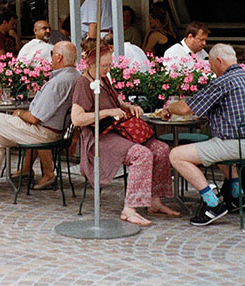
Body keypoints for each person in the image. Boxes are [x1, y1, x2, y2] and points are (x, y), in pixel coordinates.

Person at [0, 41, 80, 200]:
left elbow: (34, 118)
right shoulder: (75, 76)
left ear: (59, 57)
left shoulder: (58, 82)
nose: (50, 58)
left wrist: (19, 113)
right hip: (55, 130)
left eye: (52, 54)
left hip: (43, 132)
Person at [72, 40, 178, 226]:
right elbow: (77, 119)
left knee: (161, 149)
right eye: (104, 66)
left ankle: (154, 201)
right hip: (99, 137)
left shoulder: (103, 79)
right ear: (91, 64)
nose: (107, 69)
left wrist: (129, 106)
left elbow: (116, 103)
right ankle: (130, 209)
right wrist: (107, 112)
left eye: (109, 65)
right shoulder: (83, 83)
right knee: (141, 154)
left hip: (118, 131)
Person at [165, 43, 245, 226]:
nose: (212, 70)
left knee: (176, 155)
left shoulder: (224, 81)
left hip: (237, 145)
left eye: (212, 65)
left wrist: (169, 106)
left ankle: (212, 204)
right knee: (215, 145)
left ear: (219, 61)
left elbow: (184, 108)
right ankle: (238, 196)